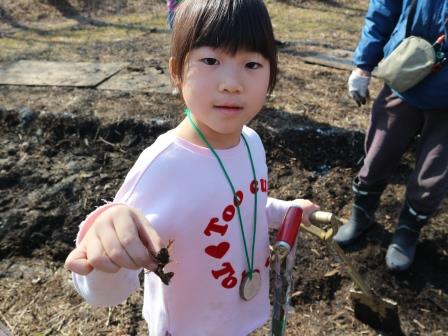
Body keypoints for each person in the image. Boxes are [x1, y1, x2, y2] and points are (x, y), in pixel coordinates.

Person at [65, 1, 320, 335]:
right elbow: (109, 288)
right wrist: (103, 263)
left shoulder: (251, 142)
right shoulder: (165, 166)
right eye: (211, 60)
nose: (232, 83)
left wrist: (285, 212)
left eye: (252, 64)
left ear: (272, 75)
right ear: (176, 71)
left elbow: (241, 204)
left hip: (237, 318)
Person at [334, 0, 448, 271]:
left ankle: (407, 233)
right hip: (405, 75)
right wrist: (363, 65)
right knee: (377, 155)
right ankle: (360, 216)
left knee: (433, 175)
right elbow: (383, 9)